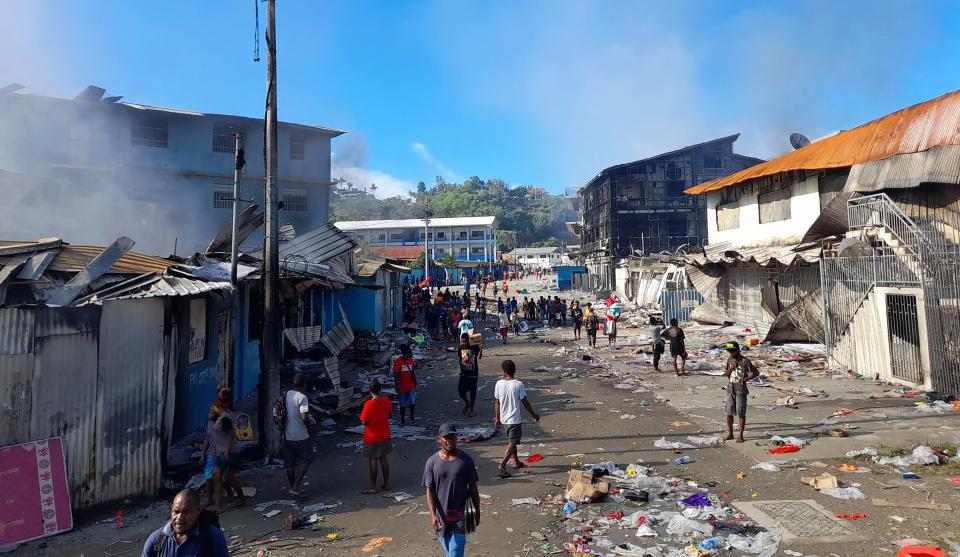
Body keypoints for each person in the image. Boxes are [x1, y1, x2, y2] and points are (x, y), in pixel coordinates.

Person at [423, 423, 480, 557]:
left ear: (457, 438)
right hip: (441, 516)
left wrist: (477, 511)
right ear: (439, 439)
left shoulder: (466, 461)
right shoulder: (432, 462)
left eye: (452, 437)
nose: (450, 441)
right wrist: (433, 515)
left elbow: (473, 488)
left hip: (460, 516)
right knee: (449, 551)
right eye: (446, 438)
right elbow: (429, 490)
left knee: (455, 553)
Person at [141, 490, 229, 557]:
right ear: (171, 509)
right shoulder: (157, 539)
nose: (179, 518)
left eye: (186, 512)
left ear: (198, 510)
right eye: (176, 512)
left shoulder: (212, 537)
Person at [494, 360, 540, 478]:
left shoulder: (499, 384)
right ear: (514, 371)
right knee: (513, 442)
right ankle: (502, 465)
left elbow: (497, 402)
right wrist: (534, 415)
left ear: (504, 371)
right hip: (514, 419)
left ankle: (517, 462)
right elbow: (525, 403)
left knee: (512, 441)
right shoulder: (518, 384)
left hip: (504, 419)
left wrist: (497, 418)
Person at [283, 373, 314, 499]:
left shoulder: (287, 394)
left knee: (290, 464)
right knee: (307, 459)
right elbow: (304, 417)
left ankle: (292, 490)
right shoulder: (302, 397)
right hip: (300, 435)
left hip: (287, 435)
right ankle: (295, 487)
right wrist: (311, 428)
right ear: (304, 384)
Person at [360, 378, 393, 493]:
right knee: (384, 458)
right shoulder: (386, 400)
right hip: (384, 434)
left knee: (373, 460)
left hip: (372, 436)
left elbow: (364, 421)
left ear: (370, 390)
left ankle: (373, 486)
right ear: (380, 389)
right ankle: (386, 483)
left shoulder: (368, 404)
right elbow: (389, 415)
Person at [723, 342, 759, 443]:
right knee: (729, 412)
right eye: (729, 351)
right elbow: (726, 374)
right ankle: (730, 433)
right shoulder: (729, 360)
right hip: (731, 389)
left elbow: (756, 373)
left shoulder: (745, 361)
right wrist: (732, 367)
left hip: (741, 390)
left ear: (737, 350)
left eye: (733, 351)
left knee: (741, 413)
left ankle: (741, 435)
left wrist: (746, 379)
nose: (731, 353)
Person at [393, 344, 418, 425]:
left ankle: (412, 417)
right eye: (409, 350)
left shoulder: (411, 360)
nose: (411, 351)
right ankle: (402, 419)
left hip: (411, 386)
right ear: (406, 352)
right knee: (402, 404)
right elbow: (396, 375)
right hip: (402, 386)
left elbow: (412, 372)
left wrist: (415, 381)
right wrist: (397, 386)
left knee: (412, 402)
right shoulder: (398, 362)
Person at [458, 333, 482, 416]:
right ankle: (467, 403)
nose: (463, 343)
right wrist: (461, 369)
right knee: (461, 391)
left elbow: (479, 357)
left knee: (473, 391)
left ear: (468, 340)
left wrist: (481, 347)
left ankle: (471, 408)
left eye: (465, 341)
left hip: (473, 373)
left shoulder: (474, 347)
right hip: (464, 373)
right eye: (462, 341)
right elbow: (460, 360)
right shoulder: (461, 348)